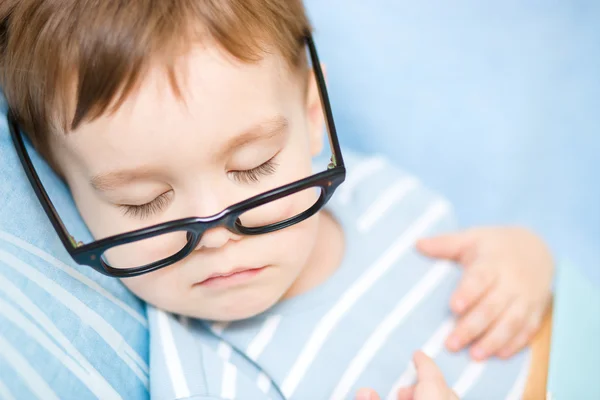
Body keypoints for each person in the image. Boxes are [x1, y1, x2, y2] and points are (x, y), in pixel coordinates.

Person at [0, 1, 554, 398]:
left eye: (255, 166)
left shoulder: (382, 193)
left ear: (314, 117)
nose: (215, 232)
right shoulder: (210, 377)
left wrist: (525, 261)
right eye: (145, 202)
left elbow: (526, 275)